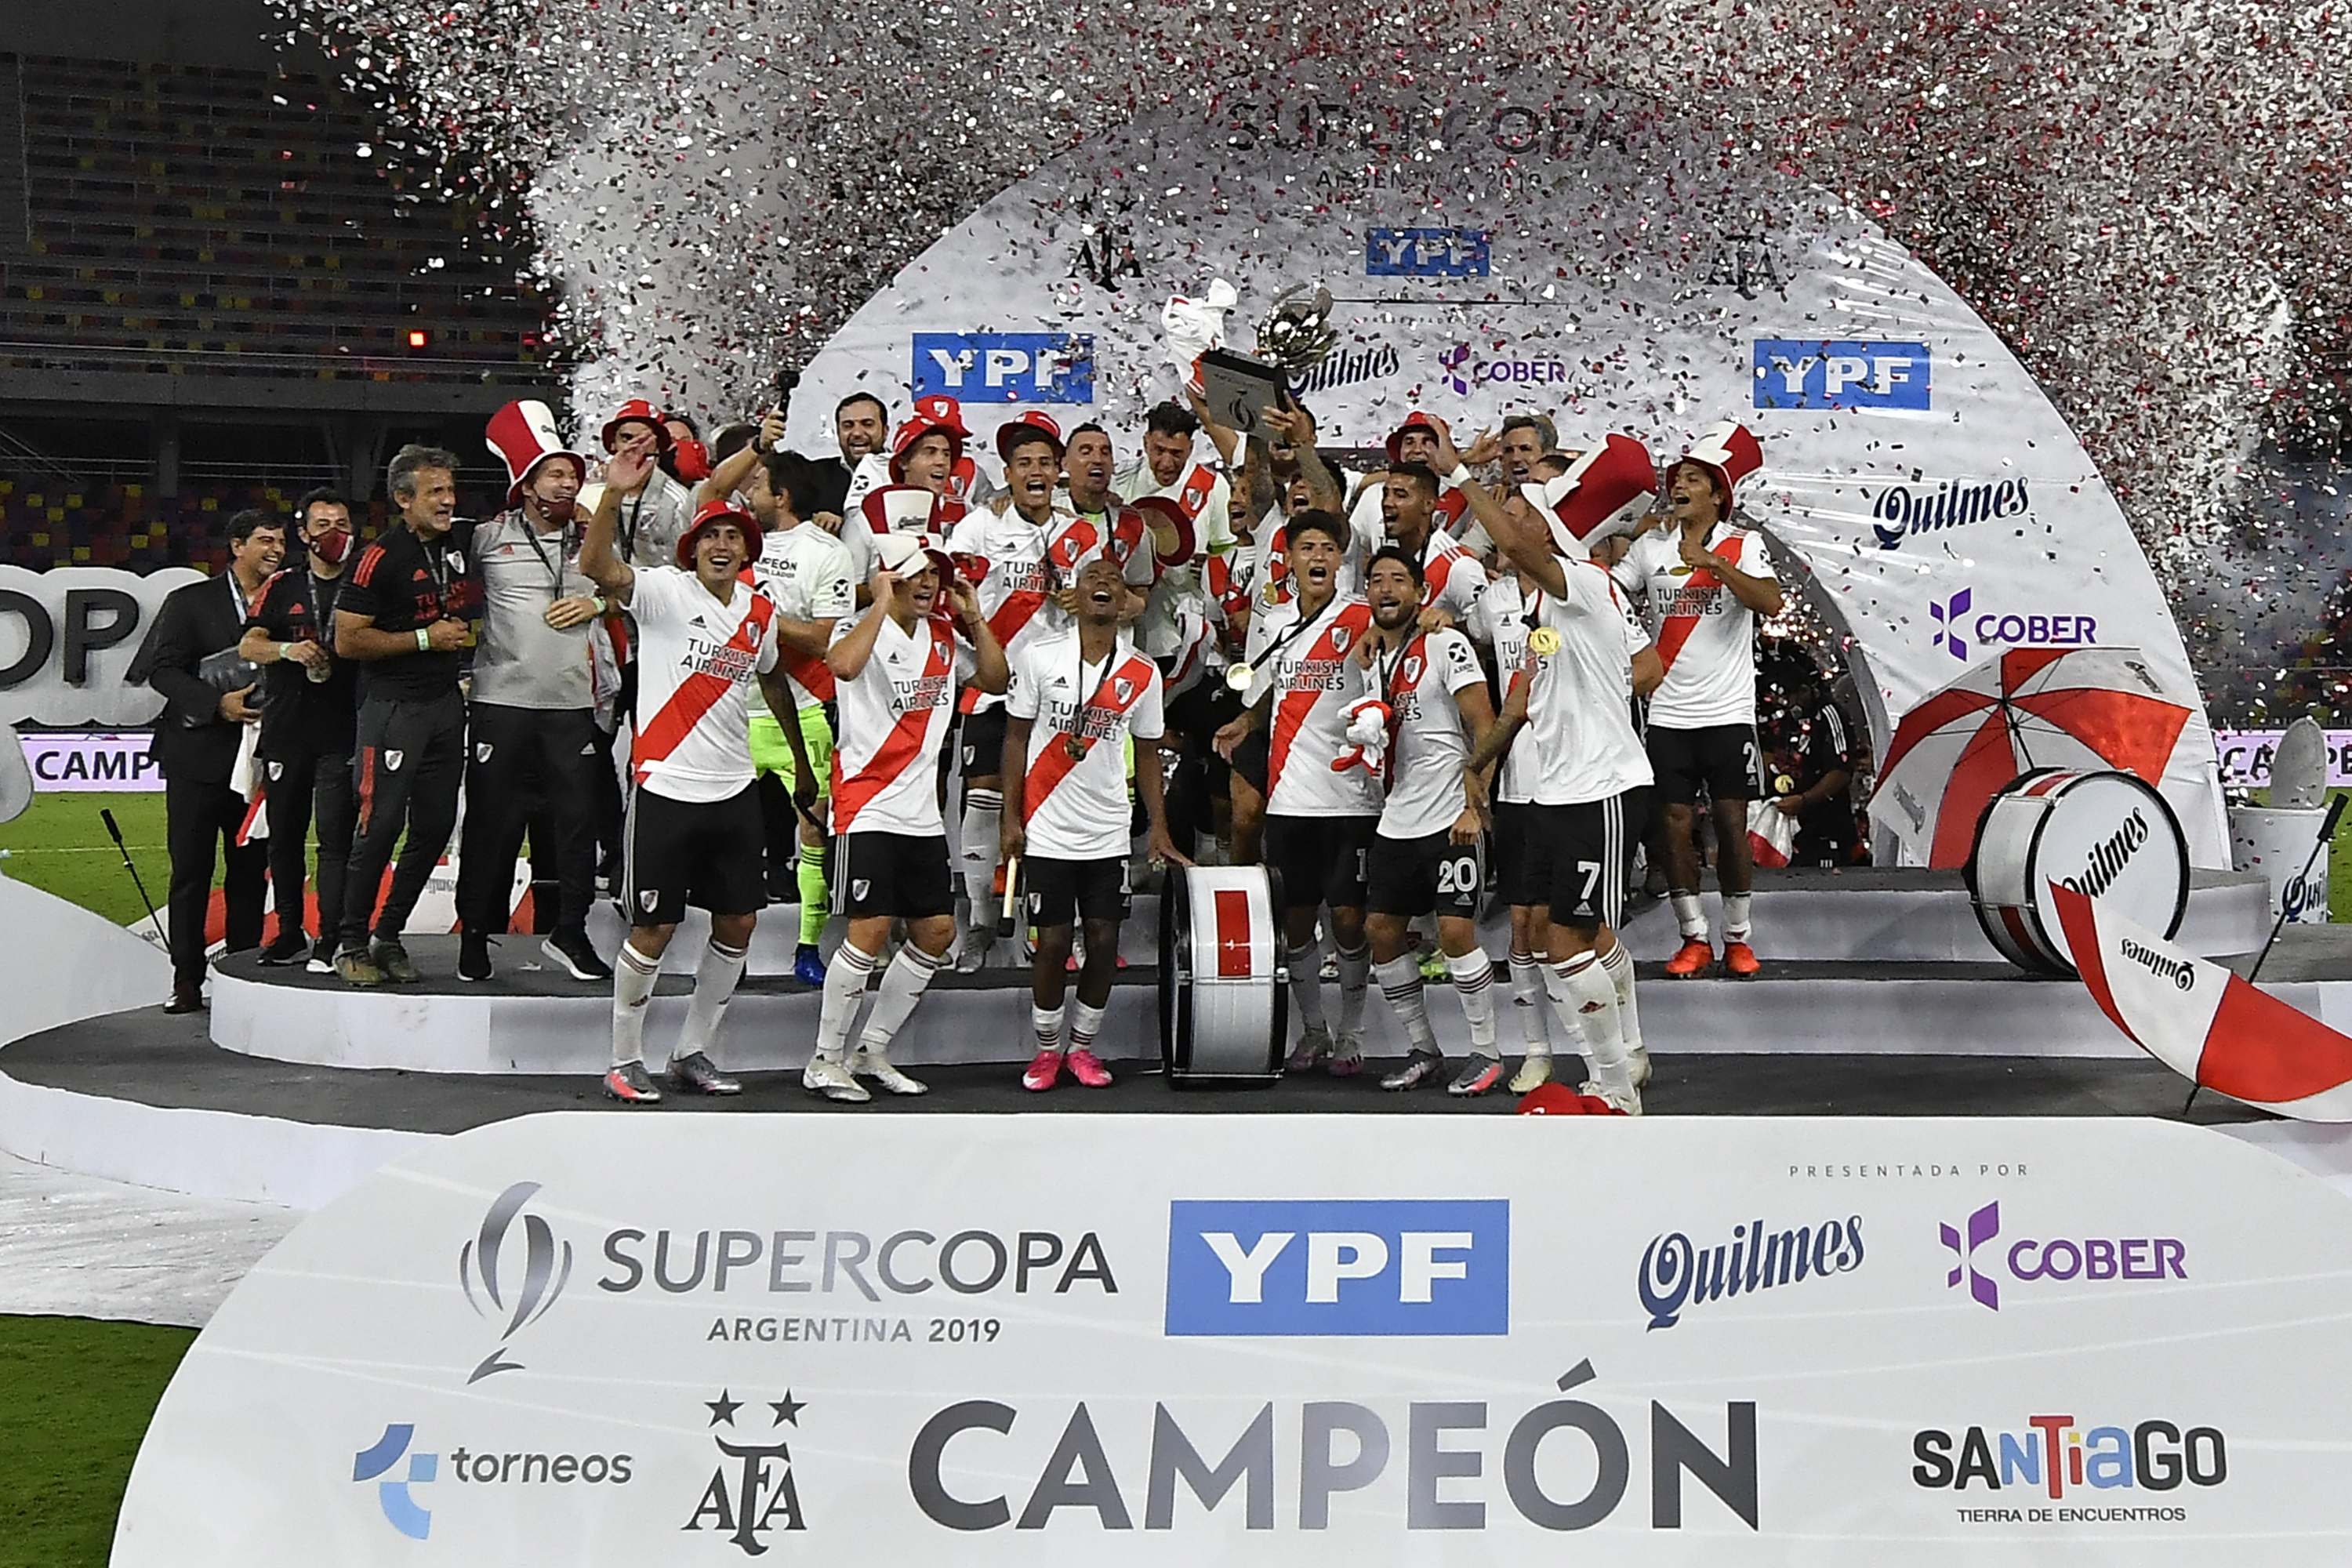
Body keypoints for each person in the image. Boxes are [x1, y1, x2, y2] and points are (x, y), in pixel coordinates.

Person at [579, 467, 797, 1102]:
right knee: (654, 928)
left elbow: (772, 678)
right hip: (666, 786)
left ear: (747, 551)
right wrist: (614, 493)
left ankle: (691, 1053)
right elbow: (596, 566)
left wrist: (806, 767)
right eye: (710, 537)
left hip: (734, 789)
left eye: (733, 537)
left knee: (740, 923)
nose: (721, 546)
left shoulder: (760, 613)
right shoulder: (663, 592)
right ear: (692, 548)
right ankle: (623, 1060)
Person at [1464, 455, 1664, 1112]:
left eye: (1517, 514)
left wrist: (1457, 474)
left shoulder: (1583, 580)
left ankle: (1616, 1089)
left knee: (1565, 940)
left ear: (1545, 530)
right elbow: (1523, 699)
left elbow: (1647, 666)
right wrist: (1478, 764)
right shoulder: (1542, 609)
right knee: (1580, 935)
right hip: (1552, 792)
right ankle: (1628, 1055)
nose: (1505, 525)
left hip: (1599, 788)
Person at [809, 530, 1009, 1102]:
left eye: (934, 575)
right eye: (916, 573)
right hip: (867, 804)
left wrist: (974, 617)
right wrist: (877, 602)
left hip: (920, 813)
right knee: (870, 930)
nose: (927, 584)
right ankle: (824, 1060)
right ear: (890, 577)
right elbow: (842, 667)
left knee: (937, 931)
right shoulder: (858, 629)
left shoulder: (943, 636)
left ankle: (871, 1050)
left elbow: (995, 679)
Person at [1001, 554, 1188, 1091]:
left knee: (1104, 942)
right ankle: (1046, 1051)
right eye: (1091, 578)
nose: (1103, 584)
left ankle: (1082, 1048)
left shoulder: (1142, 671)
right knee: (1053, 943)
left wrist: (1158, 827)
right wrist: (1009, 819)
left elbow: (1147, 753)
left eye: (1113, 579)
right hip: (1047, 825)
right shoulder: (1039, 656)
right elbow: (1015, 739)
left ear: (1126, 601)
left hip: (1107, 829)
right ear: (1075, 596)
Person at [1610, 423, 1781, 978]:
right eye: (1676, 479)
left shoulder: (1743, 545)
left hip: (1728, 712)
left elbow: (1771, 602)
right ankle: (1693, 936)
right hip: (1668, 712)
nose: (1678, 486)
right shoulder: (1650, 548)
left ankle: (1737, 938)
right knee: (1673, 826)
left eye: (1691, 479)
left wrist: (1716, 565)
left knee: (1731, 825)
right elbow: (1609, 594)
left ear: (1717, 494)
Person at [1212, 512, 1379, 1075]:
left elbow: (1413, 623)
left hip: (1351, 797)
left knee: (1350, 920)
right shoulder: (1278, 621)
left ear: (1340, 559)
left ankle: (1351, 1033)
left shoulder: (1361, 614)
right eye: (1307, 547)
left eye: (1328, 548)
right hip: (1288, 799)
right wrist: (1247, 720)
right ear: (1289, 559)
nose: (1318, 557)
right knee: (1297, 922)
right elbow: (1277, 689)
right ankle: (1313, 1031)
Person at [456, 400, 612, 984]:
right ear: (525, 485)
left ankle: (570, 931)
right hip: (501, 702)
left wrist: (599, 603)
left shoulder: (591, 541)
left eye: (572, 474)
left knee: (576, 825)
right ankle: (475, 932)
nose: (568, 483)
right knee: (491, 823)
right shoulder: (487, 537)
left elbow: (629, 590)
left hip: (571, 705)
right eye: (555, 474)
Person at [703, 412, 858, 986]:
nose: (747, 493)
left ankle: (808, 947)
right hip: (731, 712)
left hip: (806, 707)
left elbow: (822, 639)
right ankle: (730, 953)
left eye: (758, 485)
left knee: (813, 831)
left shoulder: (827, 552)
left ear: (782, 495)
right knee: (729, 837)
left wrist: (759, 613)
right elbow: (711, 491)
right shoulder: (732, 542)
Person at [1348, 548, 1504, 1095]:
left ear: (1420, 592)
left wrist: (1474, 805)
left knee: (1456, 932)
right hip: (1397, 816)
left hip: (1451, 815)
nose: (1386, 588)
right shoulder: (1370, 657)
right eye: (1376, 580)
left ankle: (1487, 1052)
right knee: (1380, 930)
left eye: (1398, 579)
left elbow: (1486, 723)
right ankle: (1423, 1048)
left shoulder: (1445, 643)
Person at [331, 445, 477, 987]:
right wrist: (423, 638)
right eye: (434, 491)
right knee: (380, 828)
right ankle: (349, 942)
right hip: (391, 709)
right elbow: (347, 640)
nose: (447, 500)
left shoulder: (460, 542)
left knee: (436, 827)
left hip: (445, 705)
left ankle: (388, 935)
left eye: (450, 489)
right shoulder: (380, 556)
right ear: (402, 498)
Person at [131, 508, 281, 1011]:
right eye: (265, 540)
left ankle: (242, 976)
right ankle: (187, 980)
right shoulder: (191, 601)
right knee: (191, 874)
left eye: (280, 541)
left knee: (250, 875)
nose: (276, 550)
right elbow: (162, 671)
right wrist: (217, 704)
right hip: (197, 757)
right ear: (237, 546)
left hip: (261, 764)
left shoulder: (288, 601)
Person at [238, 488, 358, 974]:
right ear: (304, 533)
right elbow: (249, 645)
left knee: (336, 840)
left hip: (345, 731)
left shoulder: (364, 583)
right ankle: (290, 932)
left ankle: (331, 937)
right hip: (287, 730)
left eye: (343, 524)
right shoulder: (283, 585)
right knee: (284, 837)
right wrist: (289, 651)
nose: (335, 534)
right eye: (323, 525)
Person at [1116, 400, 1235, 661]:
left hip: (1187, 633)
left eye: (1177, 453)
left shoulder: (1212, 486)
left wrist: (1209, 566)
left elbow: (1230, 557)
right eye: (1159, 450)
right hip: (1127, 628)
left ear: (1191, 448)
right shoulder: (1119, 481)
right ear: (1146, 441)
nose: (1167, 463)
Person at [598, 399, 698, 568]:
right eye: (627, 438)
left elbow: (686, 566)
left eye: (644, 440)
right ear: (613, 444)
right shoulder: (593, 491)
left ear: (658, 447)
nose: (633, 446)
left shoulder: (677, 501)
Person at [808, 392, 889, 524]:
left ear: (885, 431)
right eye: (848, 425)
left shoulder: (903, 474)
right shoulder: (814, 475)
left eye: (867, 424)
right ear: (838, 433)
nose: (857, 433)